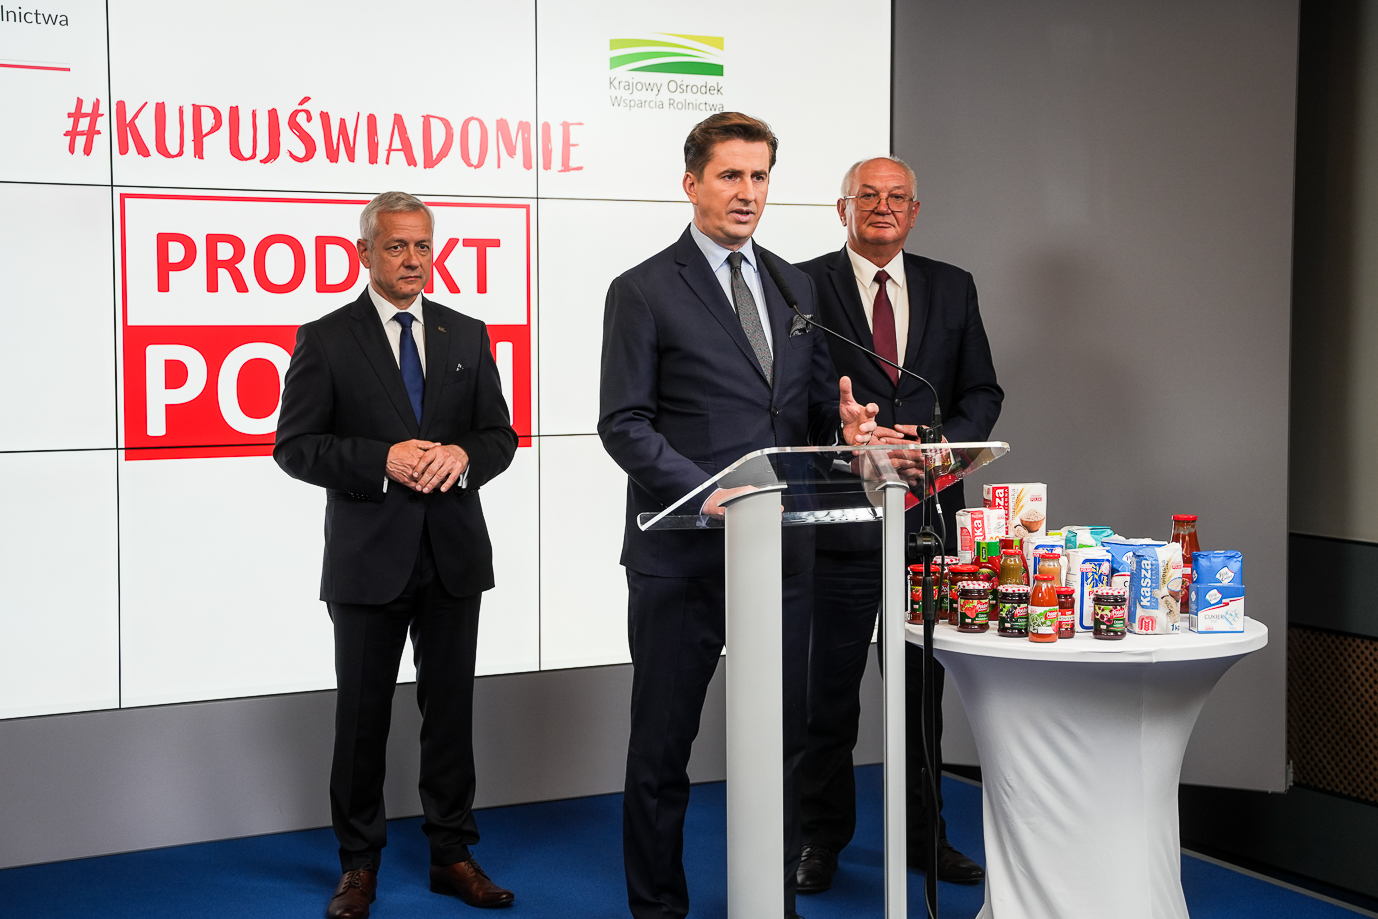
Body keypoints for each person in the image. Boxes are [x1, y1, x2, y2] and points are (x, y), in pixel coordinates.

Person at [598, 113, 881, 919]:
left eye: (759, 176)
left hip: (781, 553)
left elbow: (808, 414)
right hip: (683, 555)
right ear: (692, 183)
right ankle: (659, 908)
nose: (747, 192)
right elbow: (624, 423)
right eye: (730, 175)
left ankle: (770, 901)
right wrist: (703, 492)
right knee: (663, 747)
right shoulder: (643, 289)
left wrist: (847, 431)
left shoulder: (795, 285)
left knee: (782, 741)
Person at [274, 191, 519, 918]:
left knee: (450, 714)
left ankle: (452, 854)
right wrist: (380, 459)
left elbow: (499, 436)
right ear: (364, 253)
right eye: (396, 246)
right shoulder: (326, 338)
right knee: (362, 719)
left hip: (453, 555)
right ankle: (358, 865)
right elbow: (295, 447)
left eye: (422, 246)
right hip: (367, 560)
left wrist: (462, 455)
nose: (413, 259)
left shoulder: (466, 333)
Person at [793, 157, 1003, 892]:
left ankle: (925, 836)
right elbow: (791, 398)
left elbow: (982, 389)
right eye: (868, 196)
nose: (883, 207)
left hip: (926, 521)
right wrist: (844, 432)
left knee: (921, 695)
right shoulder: (801, 286)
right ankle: (819, 839)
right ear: (842, 208)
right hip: (840, 520)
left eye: (897, 198)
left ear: (915, 211)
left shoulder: (953, 285)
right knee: (828, 694)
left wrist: (939, 446)